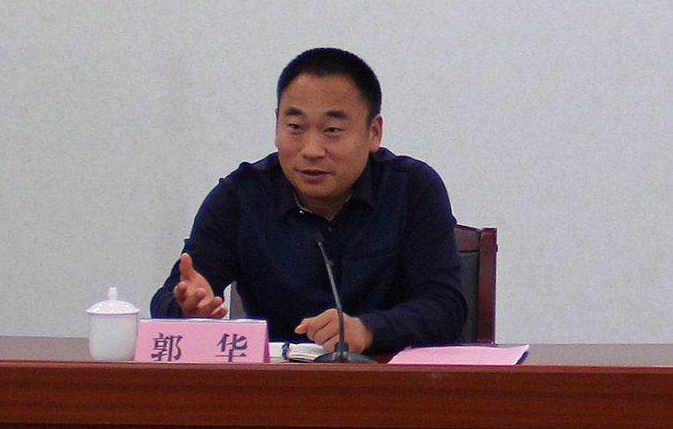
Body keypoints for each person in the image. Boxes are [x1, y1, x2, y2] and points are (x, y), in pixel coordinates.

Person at [151, 47, 467, 354]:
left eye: (332, 130)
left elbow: (445, 308)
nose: (311, 150)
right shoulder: (241, 197)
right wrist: (187, 309)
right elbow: (169, 298)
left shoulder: (412, 189)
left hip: (387, 382)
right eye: (295, 127)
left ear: (373, 132)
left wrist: (368, 329)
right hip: (277, 384)